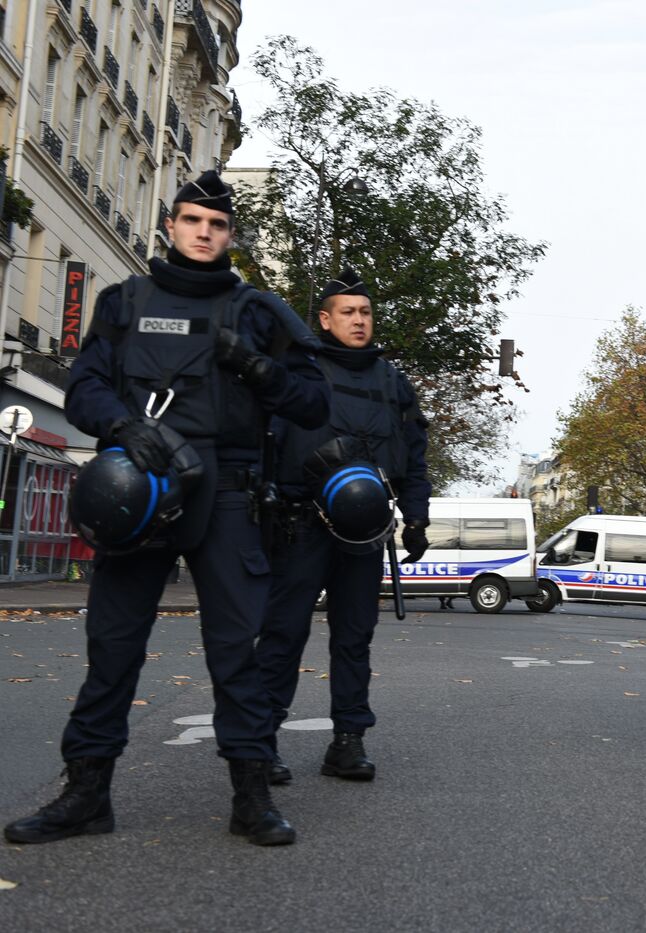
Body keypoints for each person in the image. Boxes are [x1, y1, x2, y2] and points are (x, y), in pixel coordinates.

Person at [3, 171, 329, 846]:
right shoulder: (125, 301)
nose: (203, 233)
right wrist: (124, 427)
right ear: (171, 227)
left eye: (215, 225)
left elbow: (313, 402)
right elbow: (86, 385)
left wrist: (259, 370)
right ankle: (87, 793)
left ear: (228, 234)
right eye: (191, 221)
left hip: (228, 491)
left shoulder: (259, 312)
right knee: (113, 645)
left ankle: (251, 795)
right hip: (141, 485)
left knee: (236, 649)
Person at [256, 268, 431, 784]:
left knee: (354, 638)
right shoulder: (297, 371)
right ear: (325, 319)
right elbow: (267, 442)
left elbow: (414, 455)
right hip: (301, 524)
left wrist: (418, 517)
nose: (359, 321)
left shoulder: (392, 382)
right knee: (283, 634)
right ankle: (261, 743)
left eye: (366, 312)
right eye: (348, 313)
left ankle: (348, 742)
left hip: (365, 533)